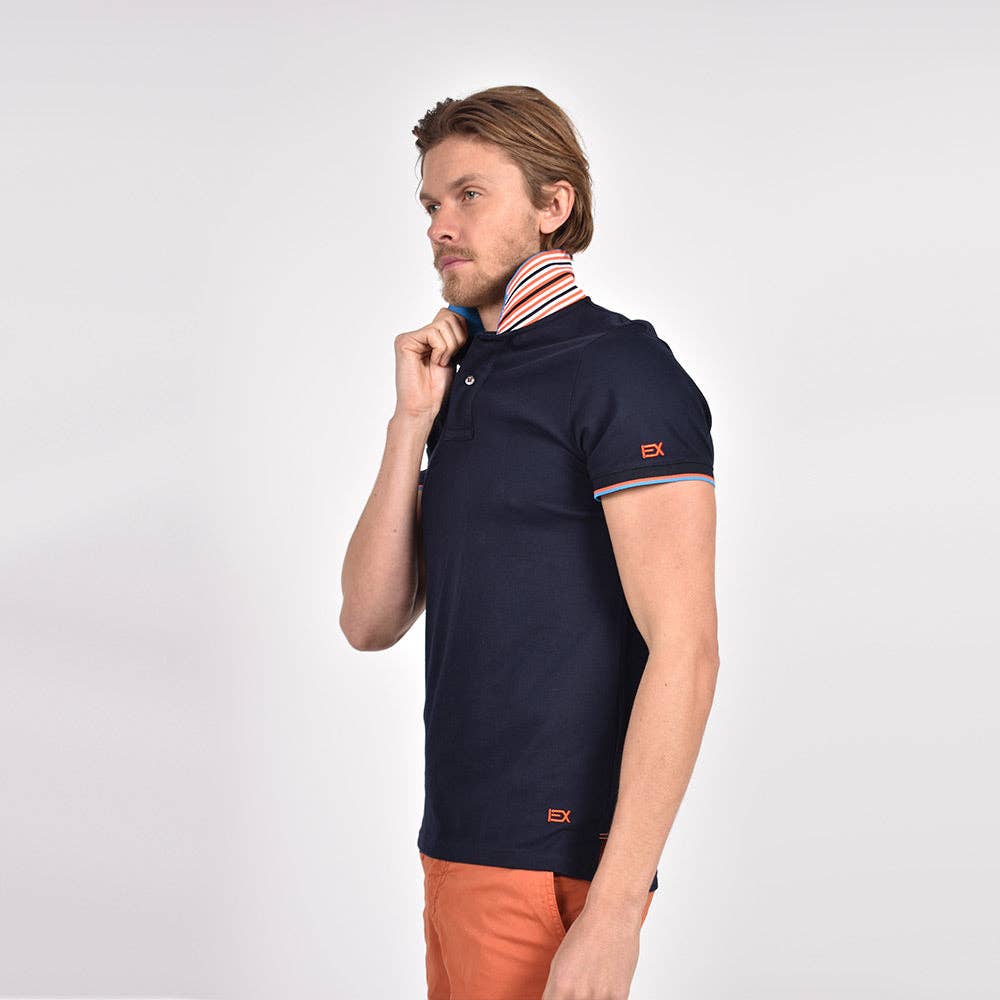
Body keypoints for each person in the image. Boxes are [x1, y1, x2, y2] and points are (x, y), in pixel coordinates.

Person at [340, 85, 719, 1000]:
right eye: (431, 204)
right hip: (457, 847)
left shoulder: (621, 371)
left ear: (555, 205)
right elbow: (368, 619)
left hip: (549, 863)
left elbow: (688, 649)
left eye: (470, 195)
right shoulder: (464, 375)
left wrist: (614, 915)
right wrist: (409, 423)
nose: (440, 226)